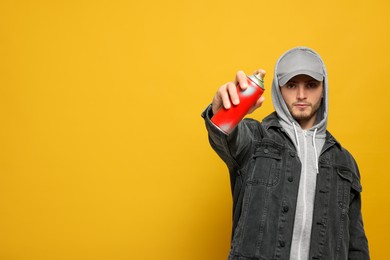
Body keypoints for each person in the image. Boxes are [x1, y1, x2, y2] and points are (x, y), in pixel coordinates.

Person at [201, 47, 369, 260]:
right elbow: (223, 135)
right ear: (278, 89)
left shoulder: (344, 161)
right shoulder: (255, 139)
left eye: (311, 85)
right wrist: (221, 112)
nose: (301, 95)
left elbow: (356, 245)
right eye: (291, 85)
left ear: (323, 88)